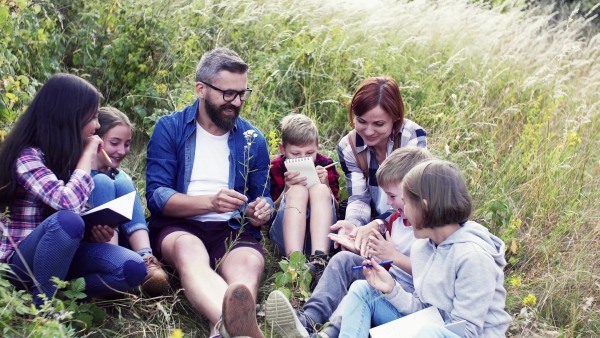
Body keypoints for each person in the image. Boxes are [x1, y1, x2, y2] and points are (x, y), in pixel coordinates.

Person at [145, 47, 272, 338]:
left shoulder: (252, 138)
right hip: (180, 226)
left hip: (232, 227)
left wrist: (260, 210)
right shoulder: (171, 128)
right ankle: (239, 327)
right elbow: (157, 196)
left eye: (242, 93)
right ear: (201, 89)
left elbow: (262, 195)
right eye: (228, 93)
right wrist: (210, 203)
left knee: (248, 264)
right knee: (189, 250)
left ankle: (223, 330)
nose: (236, 102)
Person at [0, 73, 146, 308]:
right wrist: (88, 156)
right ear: (72, 117)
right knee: (68, 221)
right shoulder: (27, 156)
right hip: (21, 263)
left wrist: (95, 232)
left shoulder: (68, 156)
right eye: (94, 117)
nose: (98, 126)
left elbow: (76, 215)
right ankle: (43, 310)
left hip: (63, 259)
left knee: (132, 268)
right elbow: (66, 206)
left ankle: (62, 297)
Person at [266, 146, 433, 338]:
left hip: (405, 298)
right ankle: (309, 319)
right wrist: (363, 248)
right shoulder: (396, 219)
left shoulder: (429, 228)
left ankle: (327, 333)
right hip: (387, 279)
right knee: (344, 260)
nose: (387, 203)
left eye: (394, 196)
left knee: (360, 293)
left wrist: (394, 257)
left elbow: (428, 273)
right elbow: (386, 260)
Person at [338, 160, 512, 338]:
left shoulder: (473, 257)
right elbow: (426, 313)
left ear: (424, 207)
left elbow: (467, 332)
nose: (400, 212)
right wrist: (392, 288)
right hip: (431, 329)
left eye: (405, 203)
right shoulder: (421, 248)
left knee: (429, 333)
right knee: (363, 290)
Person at [332, 76, 427, 255]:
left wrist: (378, 224)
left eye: (378, 124)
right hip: (375, 218)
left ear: (395, 118)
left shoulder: (411, 136)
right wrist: (354, 227)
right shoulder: (348, 147)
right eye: (361, 121)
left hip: (409, 220)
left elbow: (414, 197)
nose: (368, 131)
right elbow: (359, 198)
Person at [90, 107, 169, 295]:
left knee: (123, 182)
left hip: (125, 241)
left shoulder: (121, 175)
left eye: (126, 144)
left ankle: (146, 258)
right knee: (101, 182)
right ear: (96, 141)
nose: (122, 151)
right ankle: (114, 263)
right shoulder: (81, 173)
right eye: (114, 143)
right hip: (97, 245)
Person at [268, 113, 340, 273]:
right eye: (295, 154)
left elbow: (337, 207)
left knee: (320, 190)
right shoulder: (276, 167)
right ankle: (294, 264)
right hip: (285, 238)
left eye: (309, 153)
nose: (304, 158)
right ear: (282, 148)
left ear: (317, 146)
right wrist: (286, 190)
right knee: (298, 191)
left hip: (323, 237)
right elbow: (270, 212)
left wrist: (326, 185)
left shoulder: (325, 164)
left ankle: (319, 261)